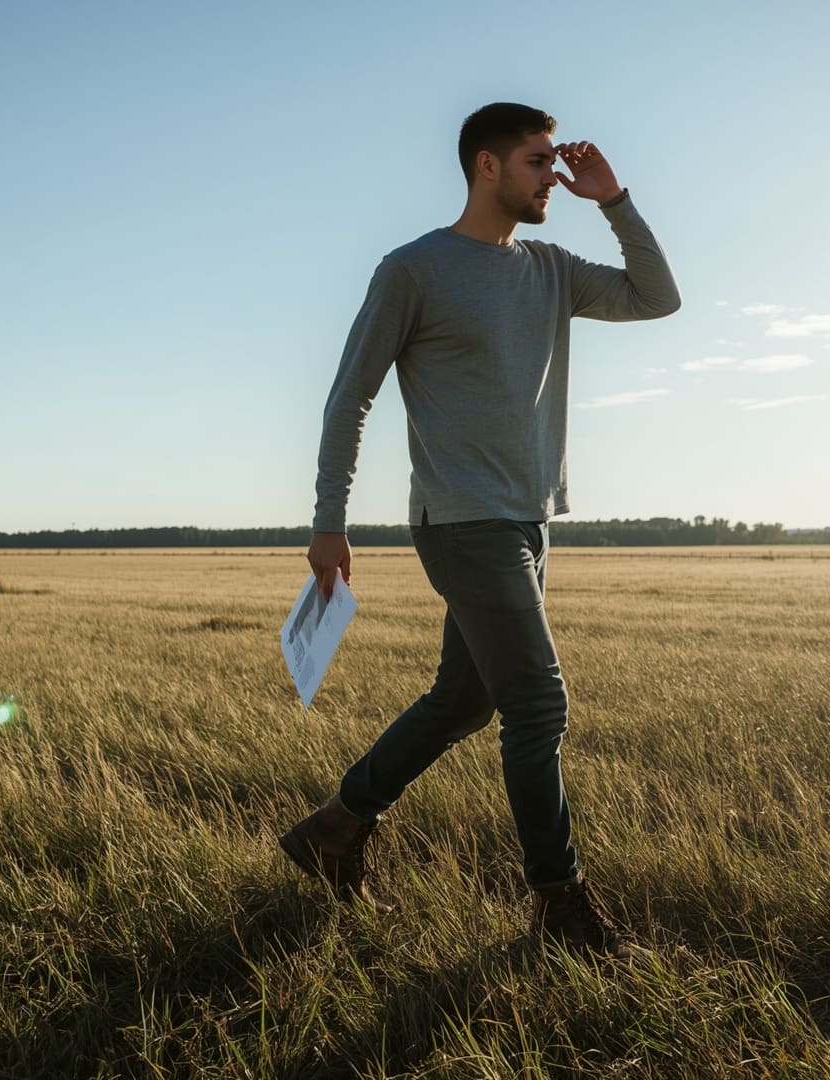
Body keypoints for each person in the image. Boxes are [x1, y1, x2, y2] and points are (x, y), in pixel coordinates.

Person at [279, 102, 681, 959]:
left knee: (464, 700)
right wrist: (328, 522)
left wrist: (615, 200)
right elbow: (350, 398)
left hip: (530, 520)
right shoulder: (414, 270)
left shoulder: (551, 268)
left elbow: (657, 298)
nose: (554, 177)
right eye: (539, 161)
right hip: (462, 522)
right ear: (487, 166)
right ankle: (561, 909)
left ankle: (335, 829)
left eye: (556, 162)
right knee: (538, 703)